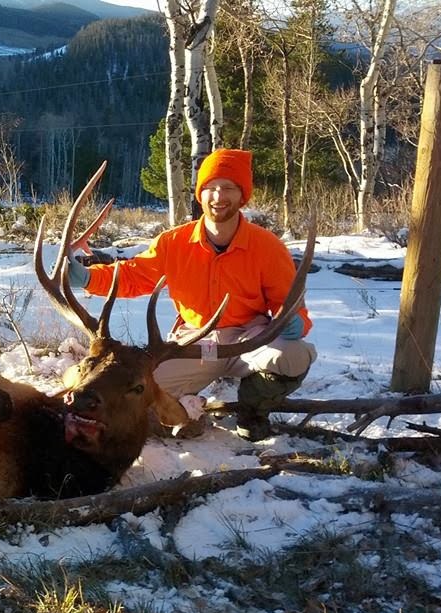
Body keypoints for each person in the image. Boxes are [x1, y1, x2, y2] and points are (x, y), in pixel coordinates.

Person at [66, 148, 316, 441]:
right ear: (200, 193)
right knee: (139, 387)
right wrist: (89, 278)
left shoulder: (268, 247)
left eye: (228, 188)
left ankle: (252, 410)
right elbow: (134, 276)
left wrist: (295, 322)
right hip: (196, 343)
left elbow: (291, 303)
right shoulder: (174, 243)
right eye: (211, 187)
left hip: (248, 339)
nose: (218, 196)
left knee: (294, 355)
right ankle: (181, 412)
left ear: (242, 195)